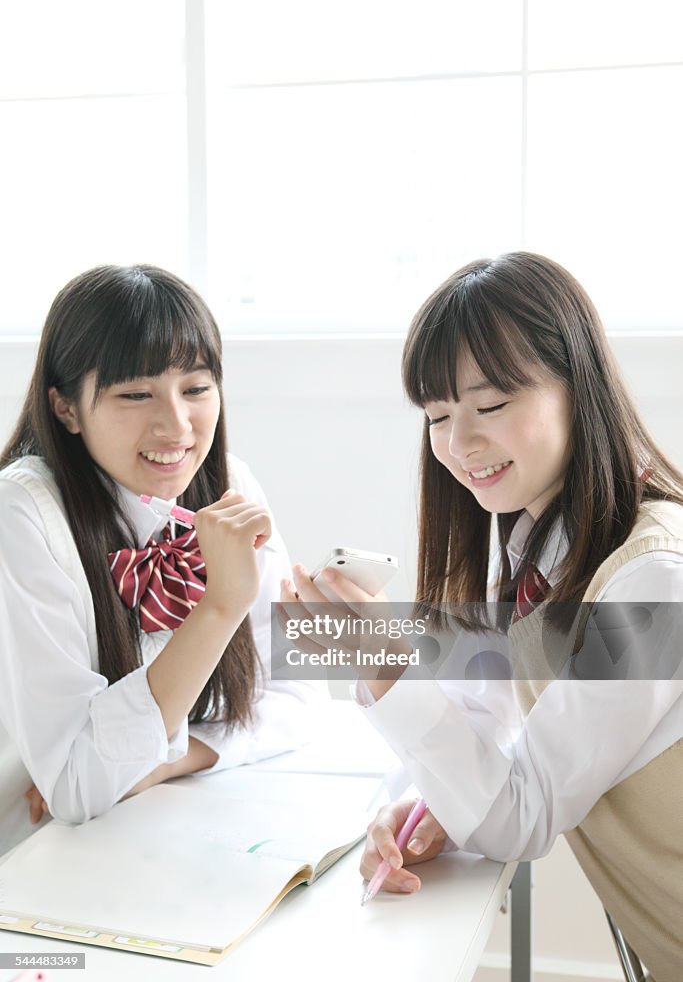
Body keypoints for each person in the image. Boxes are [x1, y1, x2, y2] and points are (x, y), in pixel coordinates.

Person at [281, 252, 683, 979]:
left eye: (490, 406)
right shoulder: (538, 545)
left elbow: (521, 815)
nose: (458, 444)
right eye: (437, 416)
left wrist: (383, 660)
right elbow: (483, 711)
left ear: (576, 384)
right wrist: (415, 809)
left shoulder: (651, 585)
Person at [0, 264, 326, 859]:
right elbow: (75, 789)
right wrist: (220, 605)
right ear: (66, 408)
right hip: (32, 860)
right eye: (134, 393)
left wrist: (167, 761)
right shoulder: (23, 514)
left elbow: (302, 697)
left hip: (159, 837)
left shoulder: (230, 487)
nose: (176, 425)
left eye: (196, 389)